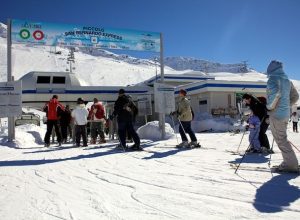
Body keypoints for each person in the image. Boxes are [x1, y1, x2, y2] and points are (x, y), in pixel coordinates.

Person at [266, 60, 299, 172]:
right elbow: (295, 96)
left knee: (281, 140)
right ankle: (289, 162)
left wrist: (270, 107)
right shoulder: (287, 81)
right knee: (282, 139)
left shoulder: (273, 79)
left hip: (276, 115)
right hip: (285, 114)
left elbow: (275, 94)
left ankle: (291, 164)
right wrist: (286, 105)